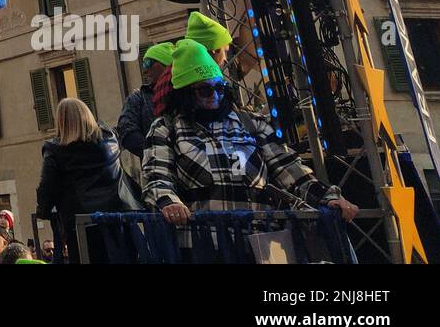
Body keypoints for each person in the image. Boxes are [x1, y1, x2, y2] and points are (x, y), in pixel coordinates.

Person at [142, 40, 360, 234]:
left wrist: (328, 197)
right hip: (208, 244)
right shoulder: (166, 129)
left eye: (220, 88)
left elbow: (289, 168)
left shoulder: (251, 123)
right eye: (205, 91)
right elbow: (156, 176)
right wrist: (169, 203)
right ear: (186, 94)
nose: (215, 97)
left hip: (261, 239)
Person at [36, 98, 128, 264]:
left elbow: (47, 187)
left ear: (61, 122)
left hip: (80, 227)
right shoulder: (111, 139)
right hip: (116, 220)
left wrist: (43, 211)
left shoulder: (55, 150)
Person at [151, 11, 234, 117]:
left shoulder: (175, 72)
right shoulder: (184, 78)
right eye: (225, 51)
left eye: (220, 88)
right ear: (215, 49)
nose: (226, 59)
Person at [117, 41, 174, 154]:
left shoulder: (186, 90)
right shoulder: (138, 98)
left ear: (166, 63)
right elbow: (126, 130)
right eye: (143, 65)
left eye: (148, 63)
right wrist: (155, 154)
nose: (144, 71)